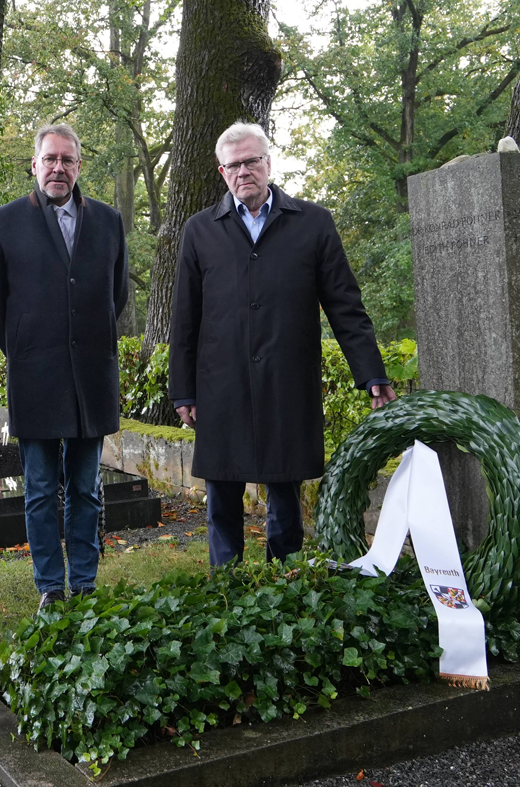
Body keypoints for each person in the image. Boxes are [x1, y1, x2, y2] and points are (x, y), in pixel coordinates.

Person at [168, 121, 396, 568]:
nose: (243, 171)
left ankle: (286, 582)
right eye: (233, 165)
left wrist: (371, 373)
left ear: (268, 163)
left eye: (252, 160)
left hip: (287, 379)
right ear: (222, 172)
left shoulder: (312, 223)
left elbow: (345, 306)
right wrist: (184, 391)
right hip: (222, 384)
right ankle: (227, 586)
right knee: (222, 492)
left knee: (285, 490)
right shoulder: (199, 231)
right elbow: (184, 318)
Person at [0, 124, 129, 610]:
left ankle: (83, 582)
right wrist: (22, 344)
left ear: (79, 166)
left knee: (85, 487)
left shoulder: (107, 221)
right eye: (50, 159)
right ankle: (49, 587)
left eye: (68, 159)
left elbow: (116, 294)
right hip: (35, 374)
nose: (58, 168)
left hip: (91, 375)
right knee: (40, 489)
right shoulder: (3, 222)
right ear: (35, 166)